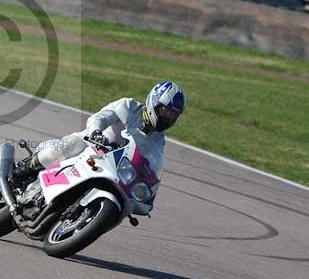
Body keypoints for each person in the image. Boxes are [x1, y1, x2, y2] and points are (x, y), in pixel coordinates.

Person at [11, 81, 187, 206]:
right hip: (91, 144)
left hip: (114, 167)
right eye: (165, 110)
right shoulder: (128, 106)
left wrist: (148, 187)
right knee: (57, 152)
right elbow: (100, 117)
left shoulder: (159, 140)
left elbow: (150, 164)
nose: (168, 117)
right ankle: (24, 169)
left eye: (173, 114)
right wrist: (96, 131)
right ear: (154, 102)